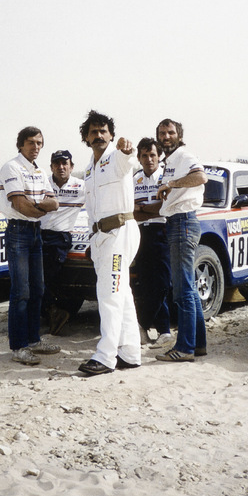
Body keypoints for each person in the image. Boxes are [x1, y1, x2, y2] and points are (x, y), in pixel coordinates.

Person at [77, 110, 142, 376]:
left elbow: (128, 158)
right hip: (101, 236)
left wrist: (127, 149)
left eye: (104, 131)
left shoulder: (116, 158)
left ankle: (105, 356)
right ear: (86, 137)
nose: (99, 135)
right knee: (121, 293)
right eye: (94, 131)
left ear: (111, 135)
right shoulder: (89, 169)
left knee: (109, 294)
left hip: (119, 232)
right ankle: (130, 353)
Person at [0, 126, 62, 365]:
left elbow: (54, 202)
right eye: (30, 143)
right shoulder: (11, 167)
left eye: (39, 143)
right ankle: (19, 346)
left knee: (38, 289)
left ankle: (34, 340)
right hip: (18, 232)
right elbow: (19, 206)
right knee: (21, 291)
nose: (35, 147)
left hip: (36, 232)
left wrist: (37, 205)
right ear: (20, 145)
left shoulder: (39, 170)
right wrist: (40, 207)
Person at [154, 118, 208, 363]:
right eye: (162, 133)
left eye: (171, 132)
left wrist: (172, 184)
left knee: (183, 289)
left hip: (183, 222)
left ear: (179, 134)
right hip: (177, 222)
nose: (166, 137)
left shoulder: (184, 155)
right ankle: (198, 345)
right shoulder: (171, 160)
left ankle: (185, 347)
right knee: (188, 288)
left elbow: (200, 177)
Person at [132, 137, 173, 347]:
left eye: (153, 155)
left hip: (161, 232)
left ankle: (142, 324)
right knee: (147, 284)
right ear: (139, 158)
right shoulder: (134, 179)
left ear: (159, 156)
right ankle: (163, 331)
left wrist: (142, 210)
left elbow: (164, 209)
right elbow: (131, 211)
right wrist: (148, 210)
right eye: (144, 155)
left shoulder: (166, 177)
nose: (149, 159)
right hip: (140, 235)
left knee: (163, 283)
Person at [40, 149, 85, 336]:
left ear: (71, 166)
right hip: (38, 234)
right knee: (33, 278)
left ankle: (55, 310)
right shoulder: (42, 184)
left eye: (64, 163)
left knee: (45, 277)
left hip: (59, 238)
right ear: (51, 167)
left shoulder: (82, 186)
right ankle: (54, 310)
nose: (61, 167)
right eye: (57, 163)